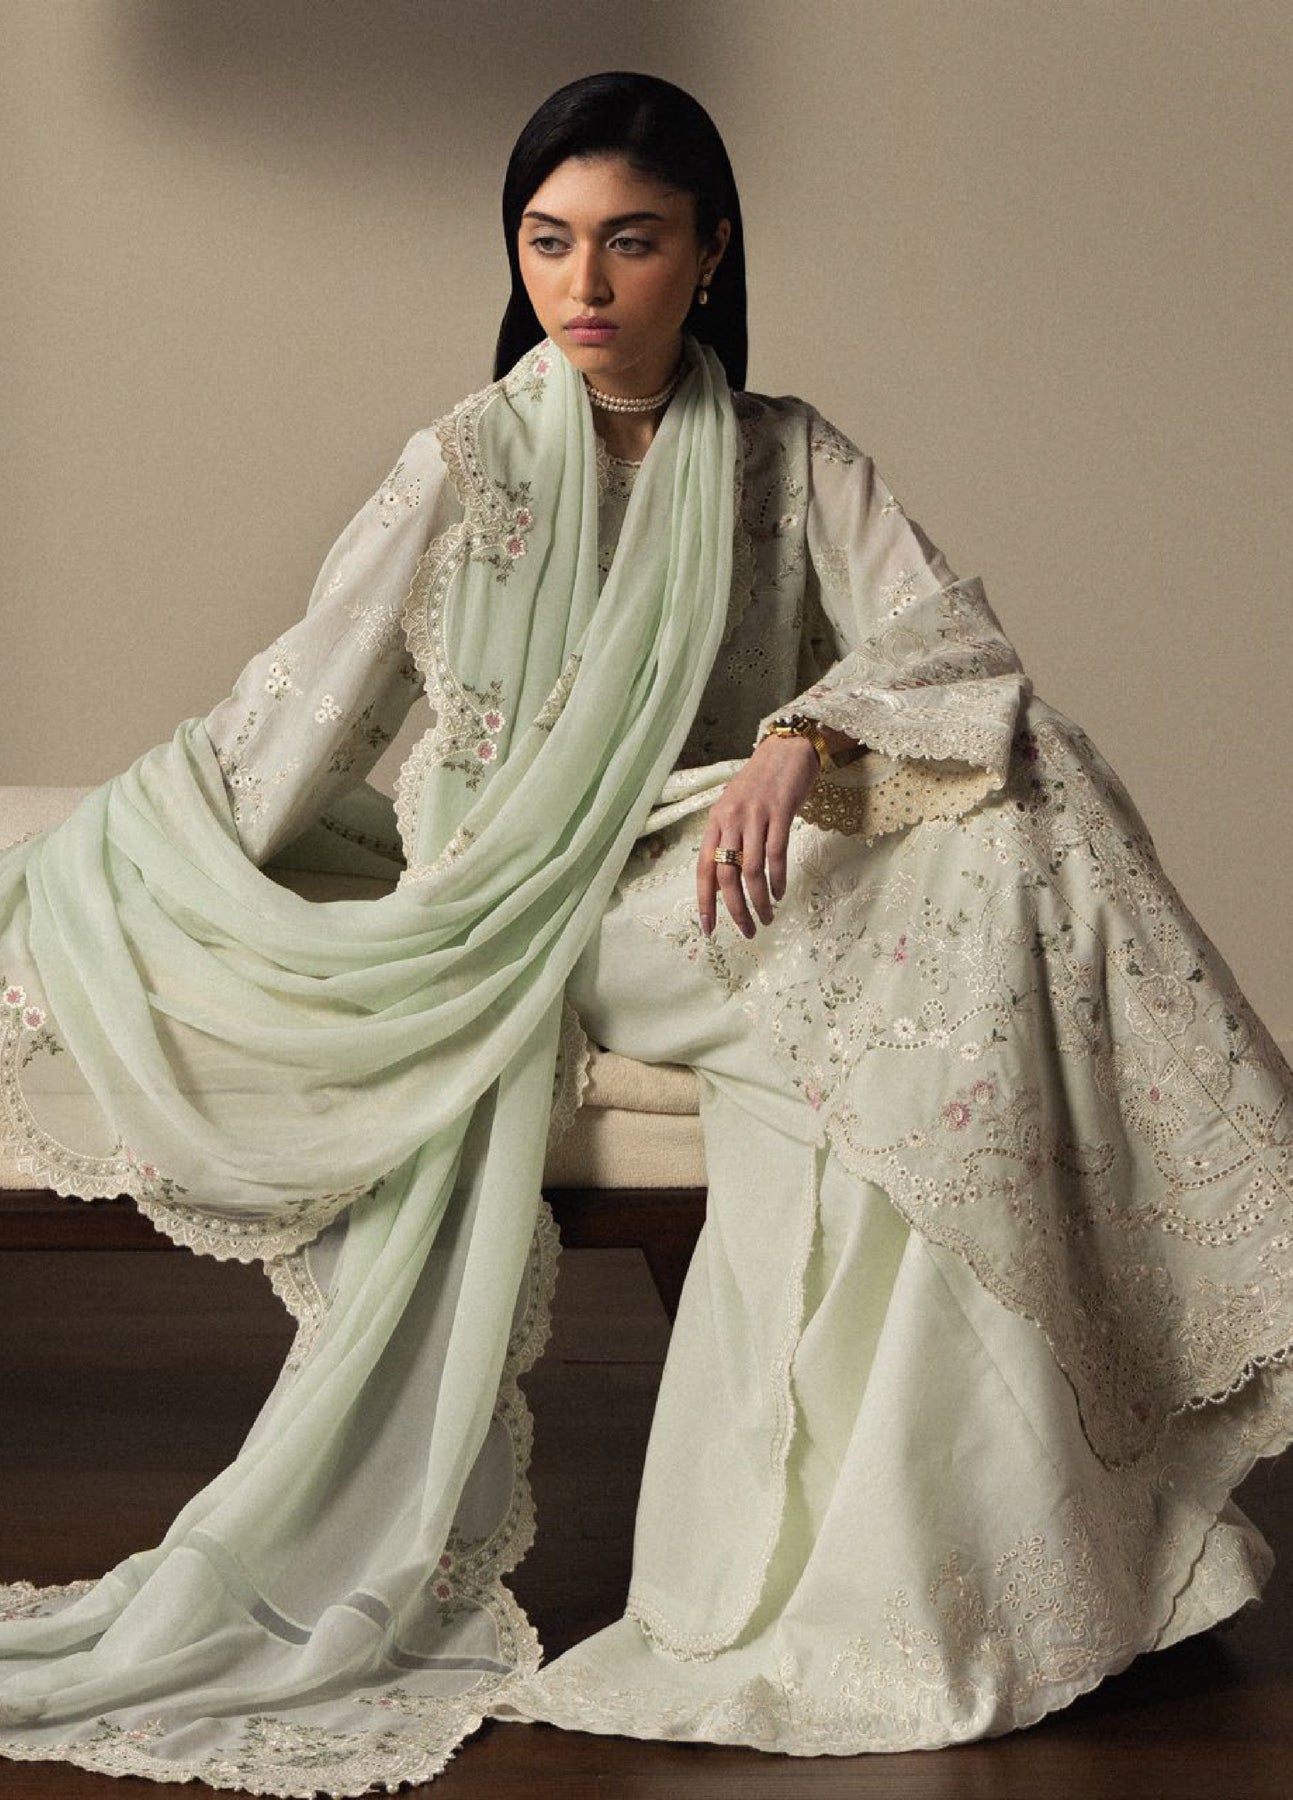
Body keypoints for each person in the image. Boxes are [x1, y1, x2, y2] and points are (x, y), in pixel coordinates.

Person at [1, 69, 1290, 1796]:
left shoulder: (784, 458)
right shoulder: (465, 466)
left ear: (710, 253)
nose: (584, 284)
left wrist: (802, 733)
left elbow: (955, 653)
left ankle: (954, 1561)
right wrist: (109, 863)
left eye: (630, 241)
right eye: (548, 243)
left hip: (725, 867)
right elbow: (298, 715)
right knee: (977, 890)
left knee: (1014, 816)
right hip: (552, 908)